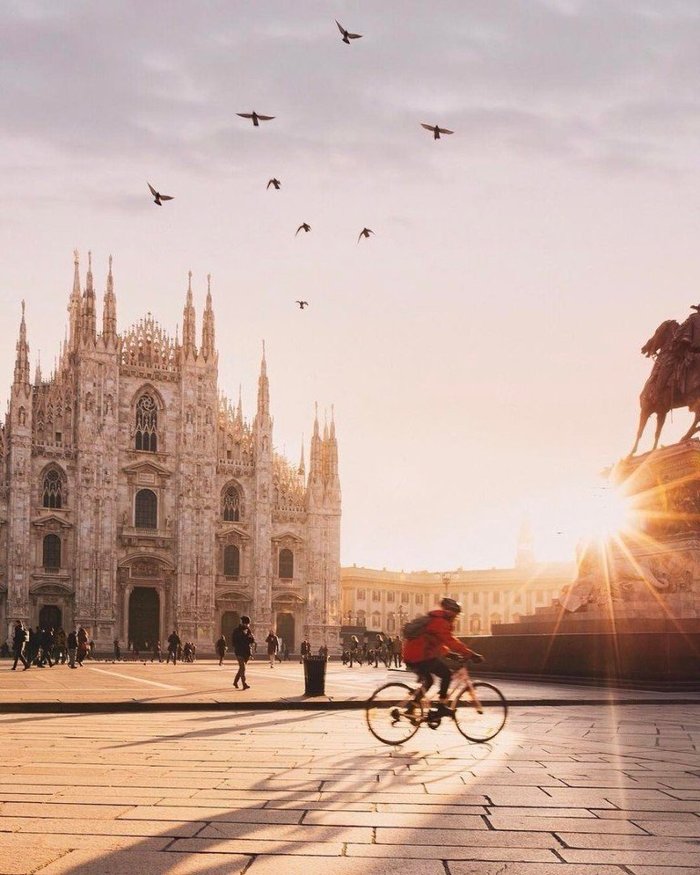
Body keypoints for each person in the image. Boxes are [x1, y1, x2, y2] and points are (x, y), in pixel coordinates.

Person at [402, 597, 484, 717]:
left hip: (415, 655)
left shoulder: (436, 620)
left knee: (429, 681)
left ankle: (411, 708)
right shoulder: (440, 622)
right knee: (446, 675)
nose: (456, 617)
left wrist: (450, 655)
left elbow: (435, 643)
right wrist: (470, 654)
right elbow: (450, 641)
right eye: (456, 614)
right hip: (419, 656)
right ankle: (441, 707)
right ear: (450, 612)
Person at [231, 616, 255, 689]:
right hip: (239, 652)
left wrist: (251, 637)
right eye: (245, 624)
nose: (247, 625)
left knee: (241, 668)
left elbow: (252, 641)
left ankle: (235, 682)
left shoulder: (248, 630)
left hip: (246, 652)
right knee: (243, 668)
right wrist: (244, 635)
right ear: (242, 623)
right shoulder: (236, 631)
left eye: (247, 624)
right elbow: (234, 641)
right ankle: (244, 684)